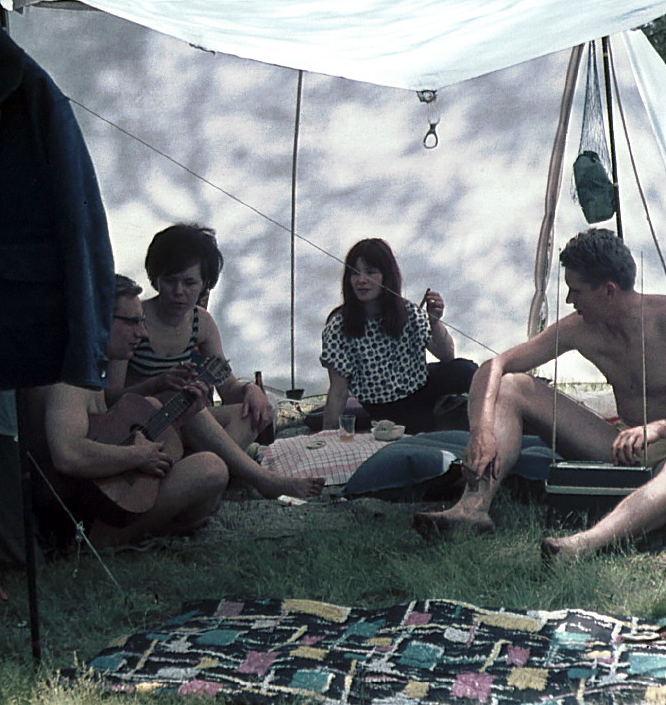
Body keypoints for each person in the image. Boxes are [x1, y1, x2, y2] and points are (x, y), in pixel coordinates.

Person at [412, 228, 666, 561]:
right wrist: (481, 430)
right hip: (621, 447)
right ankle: (471, 509)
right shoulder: (580, 328)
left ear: (609, 291)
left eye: (577, 291)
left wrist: (658, 429)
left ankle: (583, 544)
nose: (571, 300)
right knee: (514, 385)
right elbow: (495, 365)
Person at [109, 224, 324, 499]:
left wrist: (251, 391)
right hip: (139, 428)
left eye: (189, 283)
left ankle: (205, 473)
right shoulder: (136, 320)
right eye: (170, 281)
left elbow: (228, 388)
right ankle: (261, 478)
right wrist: (156, 384)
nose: (178, 292)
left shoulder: (201, 323)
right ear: (156, 278)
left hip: (184, 427)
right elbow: (111, 398)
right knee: (190, 408)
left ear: (204, 285)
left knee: (250, 413)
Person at [23, 275, 228, 548]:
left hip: (102, 500)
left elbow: (104, 435)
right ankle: (105, 541)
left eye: (141, 321)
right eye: (132, 322)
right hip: (76, 518)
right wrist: (137, 455)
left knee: (168, 425)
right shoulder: (69, 380)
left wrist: (179, 421)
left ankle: (141, 531)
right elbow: (68, 455)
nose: (141, 333)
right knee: (209, 468)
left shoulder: (88, 370)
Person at [320, 238, 478, 435]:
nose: (361, 280)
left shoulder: (409, 312)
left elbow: (447, 356)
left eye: (370, 272)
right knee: (421, 433)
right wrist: (327, 436)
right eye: (355, 273)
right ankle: (440, 410)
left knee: (467, 369)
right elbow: (338, 390)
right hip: (385, 405)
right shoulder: (339, 326)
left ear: (387, 277)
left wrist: (435, 321)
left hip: (420, 385)